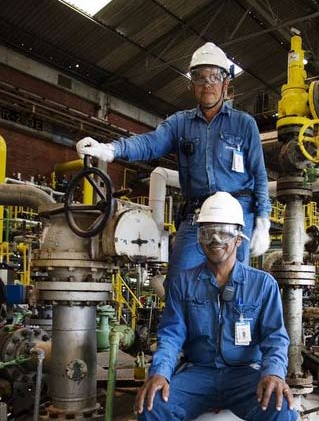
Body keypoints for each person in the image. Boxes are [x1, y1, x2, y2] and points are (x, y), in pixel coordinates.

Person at [134, 192, 296, 421]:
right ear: (199, 236)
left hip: (244, 376)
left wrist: (273, 372)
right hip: (200, 374)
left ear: (239, 237)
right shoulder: (184, 282)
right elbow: (172, 333)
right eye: (207, 233)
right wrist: (160, 371)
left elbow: (275, 337)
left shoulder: (263, 285)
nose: (215, 242)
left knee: (281, 410)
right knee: (152, 408)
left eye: (223, 233)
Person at [76, 42, 271, 279]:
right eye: (200, 77)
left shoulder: (244, 124)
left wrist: (263, 220)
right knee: (179, 284)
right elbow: (151, 143)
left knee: (234, 285)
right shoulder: (181, 123)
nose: (207, 83)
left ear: (226, 83)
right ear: (192, 85)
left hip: (237, 216)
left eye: (214, 76)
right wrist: (110, 149)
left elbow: (259, 174)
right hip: (197, 215)